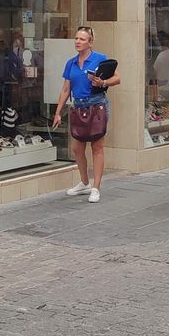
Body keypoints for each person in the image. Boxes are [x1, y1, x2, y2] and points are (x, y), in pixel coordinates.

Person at [54, 26, 120, 203]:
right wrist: (58, 112)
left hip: (96, 104)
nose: (77, 42)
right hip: (78, 106)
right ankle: (84, 182)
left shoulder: (100, 59)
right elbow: (66, 88)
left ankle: (96, 187)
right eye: (76, 38)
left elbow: (117, 78)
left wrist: (103, 81)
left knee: (97, 147)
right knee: (77, 148)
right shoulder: (71, 63)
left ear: (90, 43)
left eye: (82, 39)